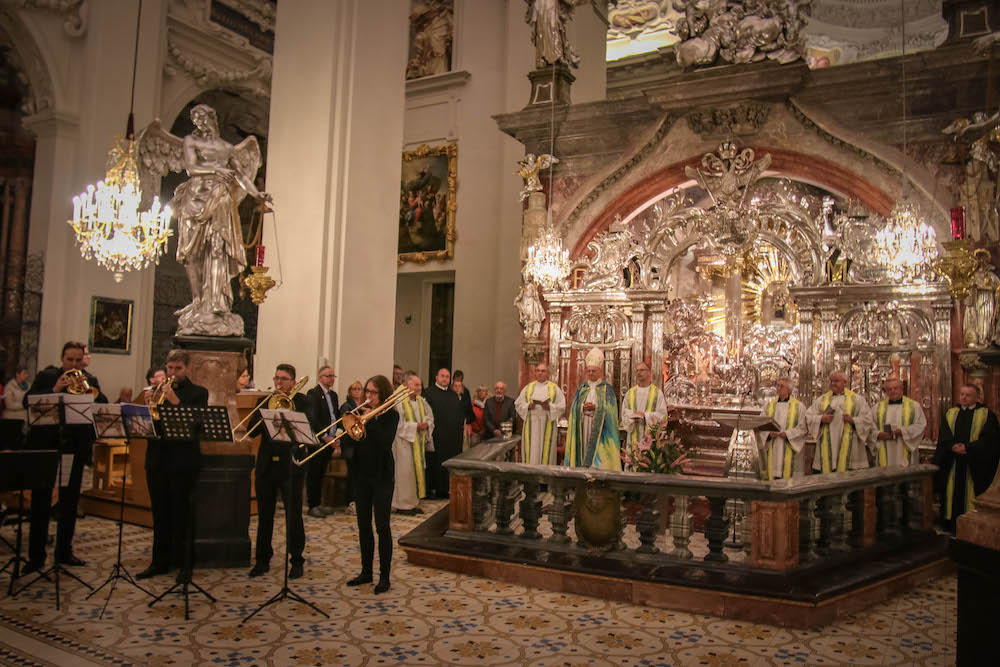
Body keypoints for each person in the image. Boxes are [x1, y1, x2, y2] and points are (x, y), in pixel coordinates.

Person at [22, 341, 108, 572]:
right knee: (41, 502)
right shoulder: (46, 376)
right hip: (46, 448)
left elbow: (102, 407)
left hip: (73, 449)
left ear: (83, 359)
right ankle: (36, 557)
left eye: (78, 360)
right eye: (69, 360)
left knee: (69, 504)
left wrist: (89, 394)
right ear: (62, 359)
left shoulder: (90, 380)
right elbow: (26, 402)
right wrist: (55, 391)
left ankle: (64, 552)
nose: (74, 364)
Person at [137, 350, 209, 581]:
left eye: (177, 368)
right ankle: (159, 561)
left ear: (187, 369)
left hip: (184, 461)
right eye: (169, 368)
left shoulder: (198, 393)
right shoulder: (156, 392)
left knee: (183, 513)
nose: (172, 373)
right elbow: (147, 427)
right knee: (160, 512)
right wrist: (146, 408)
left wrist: (174, 401)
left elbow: (196, 425)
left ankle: (184, 564)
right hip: (157, 458)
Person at [248, 364, 312, 580]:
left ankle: (296, 560)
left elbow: (309, 430)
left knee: (293, 514)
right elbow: (251, 430)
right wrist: (267, 412)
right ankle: (262, 559)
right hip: (267, 464)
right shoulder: (265, 401)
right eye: (276, 378)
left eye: (284, 379)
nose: (279, 383)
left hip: (291, 464)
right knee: (265, 514)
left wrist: (288, 411)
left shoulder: (303, 401)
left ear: (293, 382)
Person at [347, 374, 399, 594]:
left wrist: (372, 420)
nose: (367, 396)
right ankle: (366, 571)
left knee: (382, 526)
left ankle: (384, 576)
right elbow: (352, 441)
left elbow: (385, 443)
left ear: (382, 395)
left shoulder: (391, 417)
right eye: (366, 391)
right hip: (362, 474)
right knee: (363, 525)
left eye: (373, 392)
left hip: (382, 475)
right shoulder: (357, 413)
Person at [933, 384, 1000, 531]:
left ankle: (970, 526)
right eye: (962, 394)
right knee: (950, 493)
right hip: (953, 462)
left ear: (977, 397)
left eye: (968, 395)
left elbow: (990, 440)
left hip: (974, 464)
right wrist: (952, 446)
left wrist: (968, 448)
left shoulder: (987, 415)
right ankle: (950, 525)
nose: (963, 397)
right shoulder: (951, 413)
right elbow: (944, 436)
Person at [805, 370, 874, 474]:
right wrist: (821, 419)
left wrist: (853, 420)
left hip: (851, 448)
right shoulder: (822, 399)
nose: (833, 383)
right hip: (827, 446)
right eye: (831, 381)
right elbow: (809, 416)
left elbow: (868, 420)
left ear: (845, 382)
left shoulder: (857, 400)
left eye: (836, 381)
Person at [565, 348, 621, 470]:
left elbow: (612, 411)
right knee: (584, 447)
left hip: (601, 430)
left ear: (600, 371)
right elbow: (573, 408)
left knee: (597, 454)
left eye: (593, 371)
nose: (590, 373)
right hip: (584, 424)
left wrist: (596, 408)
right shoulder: (582, 388)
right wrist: (581, 407)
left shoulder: (607, 389)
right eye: (588, 371)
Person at [422, 368, 470, 498]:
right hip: (437, 436)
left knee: (449, 462)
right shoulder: (428, 392)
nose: (445, 379)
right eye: (442, 376)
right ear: (436, 377)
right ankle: (433, 489)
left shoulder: (453, 394)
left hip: (452, 438)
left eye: (447, 377)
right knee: (436, 463)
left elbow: (460, 414)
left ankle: (446, 489)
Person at [393, 371, 434, 515]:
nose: (419, 388)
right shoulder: (398, 401)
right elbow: (396, 424)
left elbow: (430, 416)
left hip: (417, 442)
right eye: (416, 385)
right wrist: (415, 426)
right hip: (403, 443)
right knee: (404, 473)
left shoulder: (421, 401)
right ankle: (402, 505)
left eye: (420, 385)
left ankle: (413, 503)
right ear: (406, 385)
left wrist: (426, 424)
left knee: (415, 473)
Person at [305, 365, 339, 518]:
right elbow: (313, 418)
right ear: (320, 378)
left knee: (322, 472)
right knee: (314, 473)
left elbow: (336, 416)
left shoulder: (333, 395)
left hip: (331, 440)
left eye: (333, 376)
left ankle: (320, 503)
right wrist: (325, 436)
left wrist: (336, 435)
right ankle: (313, 505)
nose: (331, 378)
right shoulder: (313, 394)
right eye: (328, 376)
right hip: (318, 440)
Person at [872, 377, 927, 467]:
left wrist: (903, 432)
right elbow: (870, 427)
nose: (893, 391)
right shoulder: (877, 408)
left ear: (901, 389)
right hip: (884, 449)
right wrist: (878, 434)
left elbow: (920, 426)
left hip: (904, 447)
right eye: (889, 389)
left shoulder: (914, 406)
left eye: (895, 388)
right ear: (885, 391)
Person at [515, 366, 565, 464]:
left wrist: (549, 407)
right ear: (535, 373)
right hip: (531, 423)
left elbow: (562, 406)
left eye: (543, 371)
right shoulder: (528, 387)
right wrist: (528, 406)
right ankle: (530, 473)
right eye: (538, 371)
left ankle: (546, 474)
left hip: (547, 423)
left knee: (546, 450)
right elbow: (518, 404)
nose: (540, 373)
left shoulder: (554, 388)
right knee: (532, 448)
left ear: (547, 373)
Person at [760, 378, 807, 479]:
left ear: (789, 390)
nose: (778, 388)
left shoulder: (799, 406)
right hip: (772, 445)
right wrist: (768, 434)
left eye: (782, 386)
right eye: (777, 385)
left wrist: (788, 434)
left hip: (789, 446)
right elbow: (761, 424)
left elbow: (803, 428)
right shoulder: (768, 405)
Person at [621, 361, 667, 449]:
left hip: (650, 438)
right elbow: (624, 414)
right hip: (633, 436)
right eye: (637, 371)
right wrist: (633, 417)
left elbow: (663, 415)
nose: (639, 373)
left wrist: (645, 416)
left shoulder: (657, 393)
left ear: (649, 373)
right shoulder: (630, 393)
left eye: (642, 370)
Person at [339, 379, 365, 515]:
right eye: (354, 389)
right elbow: (346, 424)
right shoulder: (346, 406)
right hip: (350, 445)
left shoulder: (365, 406)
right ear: (350, 391)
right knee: (352, 474)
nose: (357, 391)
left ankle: (359, 500)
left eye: (359, 389)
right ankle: (350, 501)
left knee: (360, 474)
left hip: (361, 445)